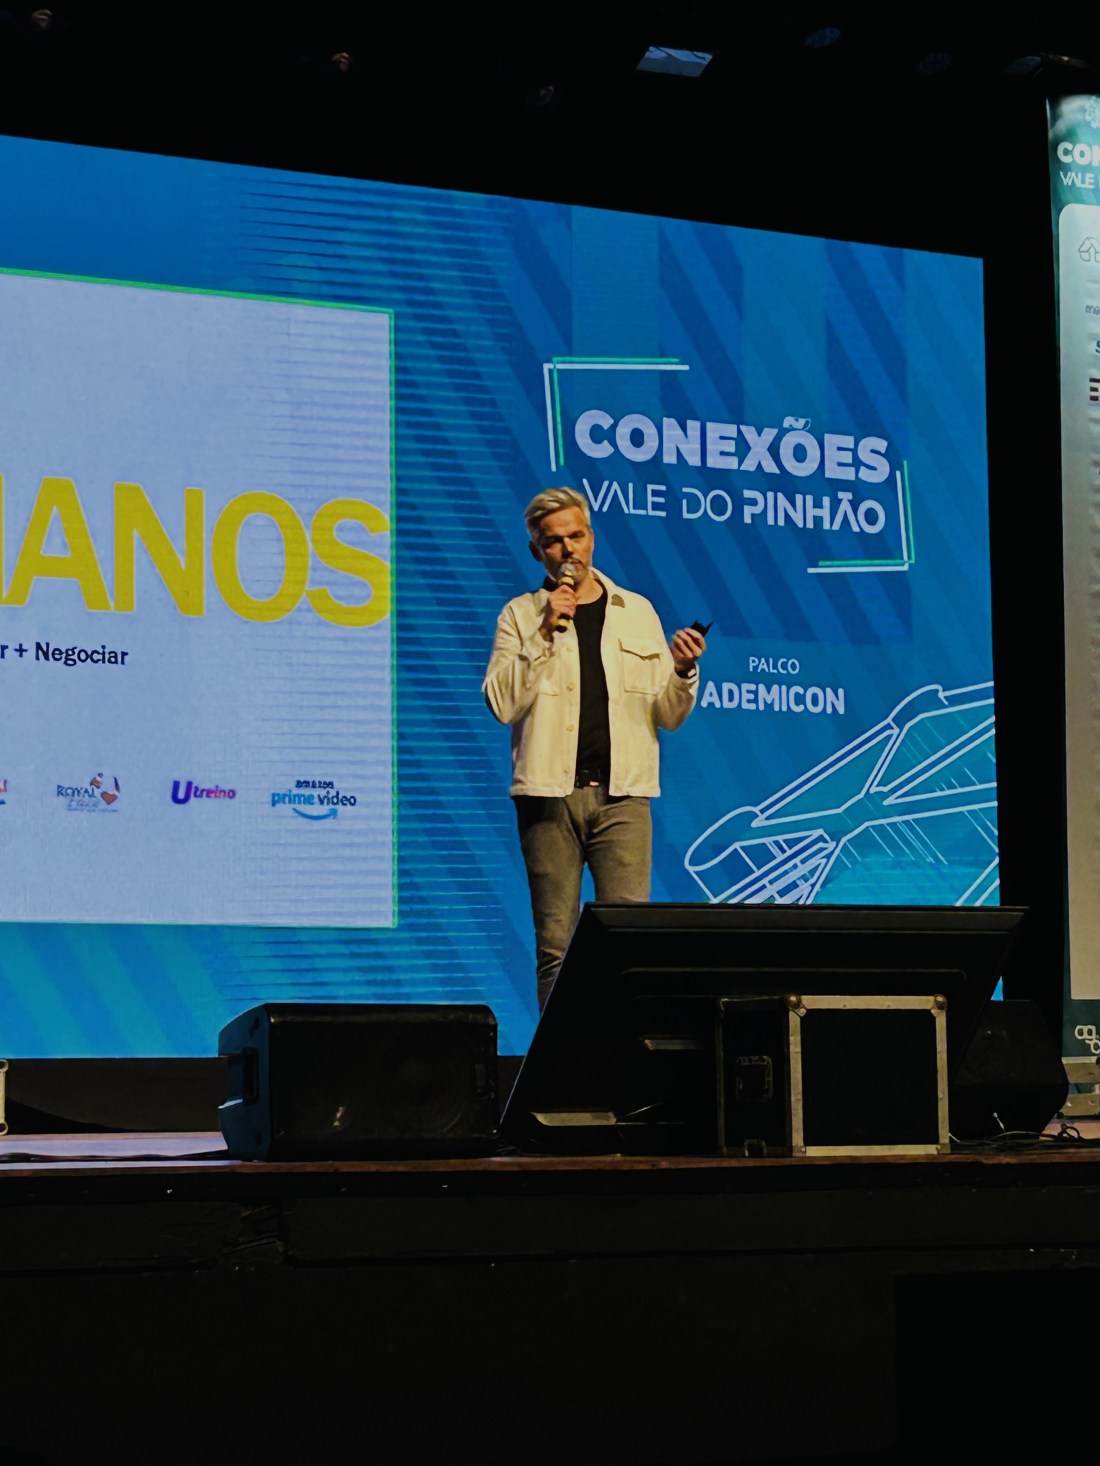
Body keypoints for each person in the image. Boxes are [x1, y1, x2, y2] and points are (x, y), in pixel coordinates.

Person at [482, 486, 706, 1011]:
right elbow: (501, 703)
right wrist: (543, 634)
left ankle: (621, 1059)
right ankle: (560, 1062)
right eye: (553, 542)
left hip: (623, 798)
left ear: (592, 538)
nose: (568, 550)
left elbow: (668, 714)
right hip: (547, 799)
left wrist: (682, 670)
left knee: (627, 943)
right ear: (537, 551)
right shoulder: (520, 615)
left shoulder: (636, 611)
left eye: (576, 536)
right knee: (556, 948)